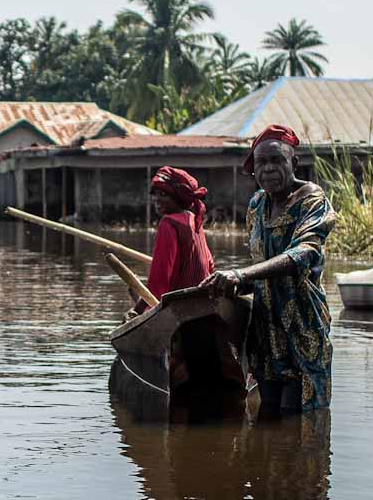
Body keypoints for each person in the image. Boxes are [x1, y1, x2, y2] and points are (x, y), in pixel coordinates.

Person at [204, 125, 336, 413]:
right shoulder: (256, 205)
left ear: (294, 163)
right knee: (269, 415)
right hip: (265, 327)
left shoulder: (312, 199)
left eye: (276, 161)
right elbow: (260, 266)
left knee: (302, 416)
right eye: (261, 162)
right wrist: (232, 283)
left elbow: (303, 254)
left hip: (302, 322)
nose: (268, 169)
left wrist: (242, 275)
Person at [141, 166, 215, 308]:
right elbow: (210, 265)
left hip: (179, 305)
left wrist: (138, 310)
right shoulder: (194, 218)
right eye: (154, 194)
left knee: (135, 291)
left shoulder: (168, 223)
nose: (156, 199)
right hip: (202, 301)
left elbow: (159, 278)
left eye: (162, 194)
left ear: (178, 197)